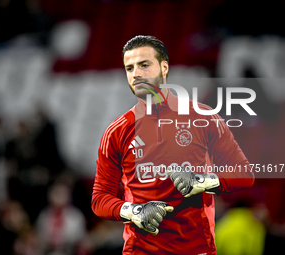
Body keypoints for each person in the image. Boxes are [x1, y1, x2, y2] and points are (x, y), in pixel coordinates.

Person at [91, 35, 255, 255]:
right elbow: (100, 198)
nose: (136, 74)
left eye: (144, 65)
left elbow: (244, 174)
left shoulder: (203, 118)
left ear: (164, 67)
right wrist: (135, 211)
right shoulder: (116, 132)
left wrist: (202, 181)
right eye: (129, 68)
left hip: (196, 249)